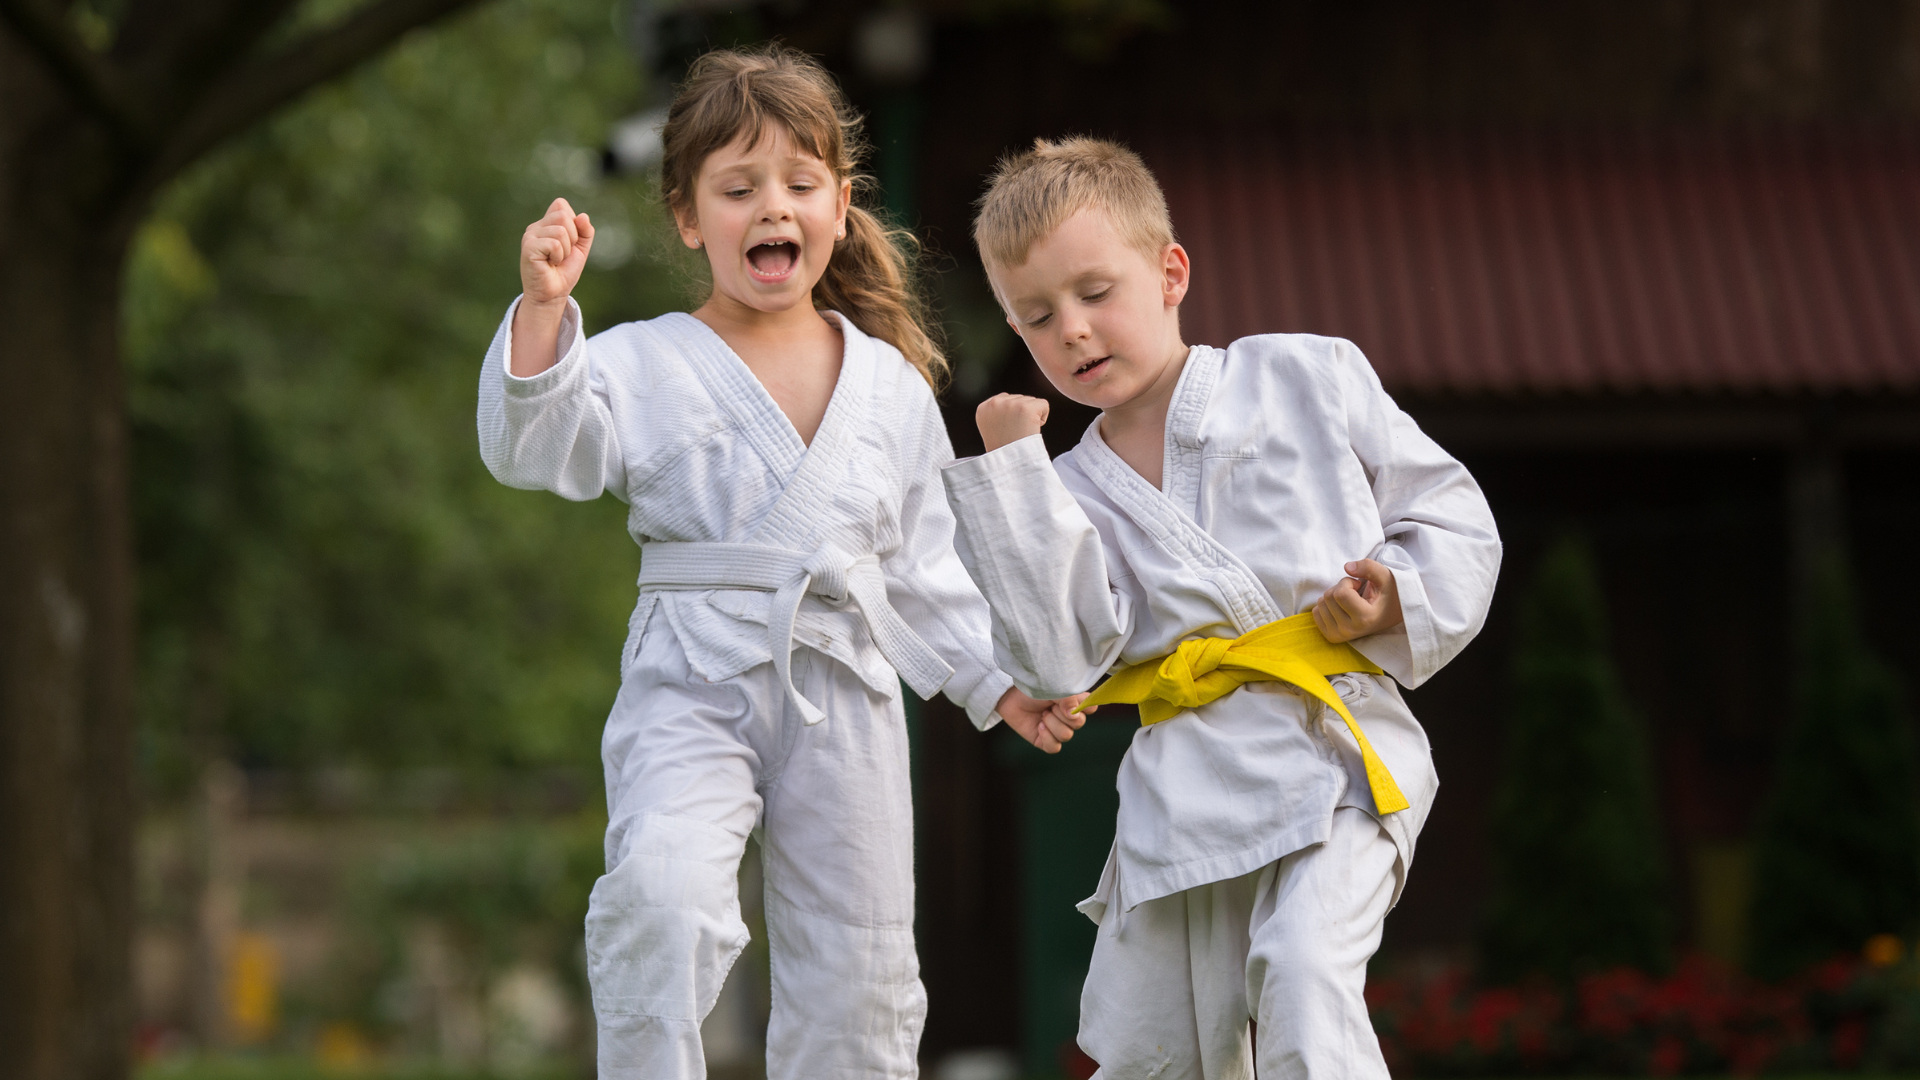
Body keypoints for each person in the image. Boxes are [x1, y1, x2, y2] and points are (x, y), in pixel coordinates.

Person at [477, 47, 1082, 1080]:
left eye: (801, 185)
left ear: (839, 207)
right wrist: (543, 311)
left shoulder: (889, 388)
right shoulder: (642, 358)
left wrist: (996, 687)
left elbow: (922, 570)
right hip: (690, 680)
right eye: (739, 188)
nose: (775, 207)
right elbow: (538, 448)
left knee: (862, 973)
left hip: (845, 681)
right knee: (659, 906)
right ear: (686, 214)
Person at [941, 137, 1502, 1080]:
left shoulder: (1306, 376)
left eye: (1093, 293)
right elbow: (1059, 658)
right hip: (1184, 798)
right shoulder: (1065, 486)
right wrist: (1010, 480)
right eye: (1035, 317)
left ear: (1170, 273)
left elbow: (1453, 514)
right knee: (1162, 1055)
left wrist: (1392, 595)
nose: (1071, 331)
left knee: (1303, 968)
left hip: (1336, 758)